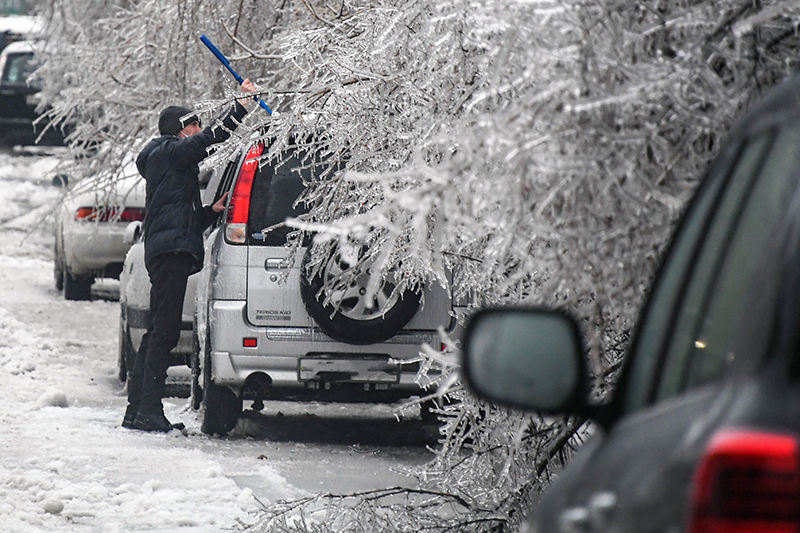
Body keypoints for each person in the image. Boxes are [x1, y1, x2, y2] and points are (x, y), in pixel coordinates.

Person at [123, 79, 257, 432]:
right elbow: (210, 139)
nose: (198, 129)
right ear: (179, 130)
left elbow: (184, 219)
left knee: (157, 332)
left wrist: (212, 210)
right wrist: (241, 107)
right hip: (170, 253)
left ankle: (136, 410)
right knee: (164, 333)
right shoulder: (169, 151)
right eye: (193, 124)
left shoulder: (170, 166)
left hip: (168, 250)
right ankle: (148, 411)